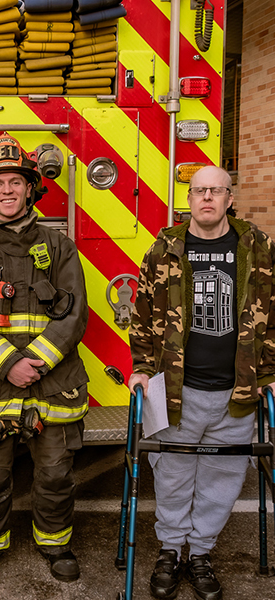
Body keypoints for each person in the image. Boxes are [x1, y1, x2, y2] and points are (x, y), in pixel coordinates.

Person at [128, 165, 275, 600]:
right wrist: (140, 366)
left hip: (236, 391)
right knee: (171, 475)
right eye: (199, 191)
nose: (207, 198)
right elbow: (141, 314)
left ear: (230, 199)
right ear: (188, 199)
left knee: (221, 478)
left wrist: (267, 374)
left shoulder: (257, 246)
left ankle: (201, 553)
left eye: (216, 191)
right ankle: (171, 550)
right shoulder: (164, 248)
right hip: (175, 390)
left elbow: (273, 313)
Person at [0, 133, 89, 586]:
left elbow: (74, 316)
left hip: (50, 383)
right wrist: (10, 364)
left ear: (31, 188)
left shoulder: (60, 247)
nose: (7, 190)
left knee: (54, 472)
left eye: (15, 181)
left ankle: (55, 543)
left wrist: (37, 363)